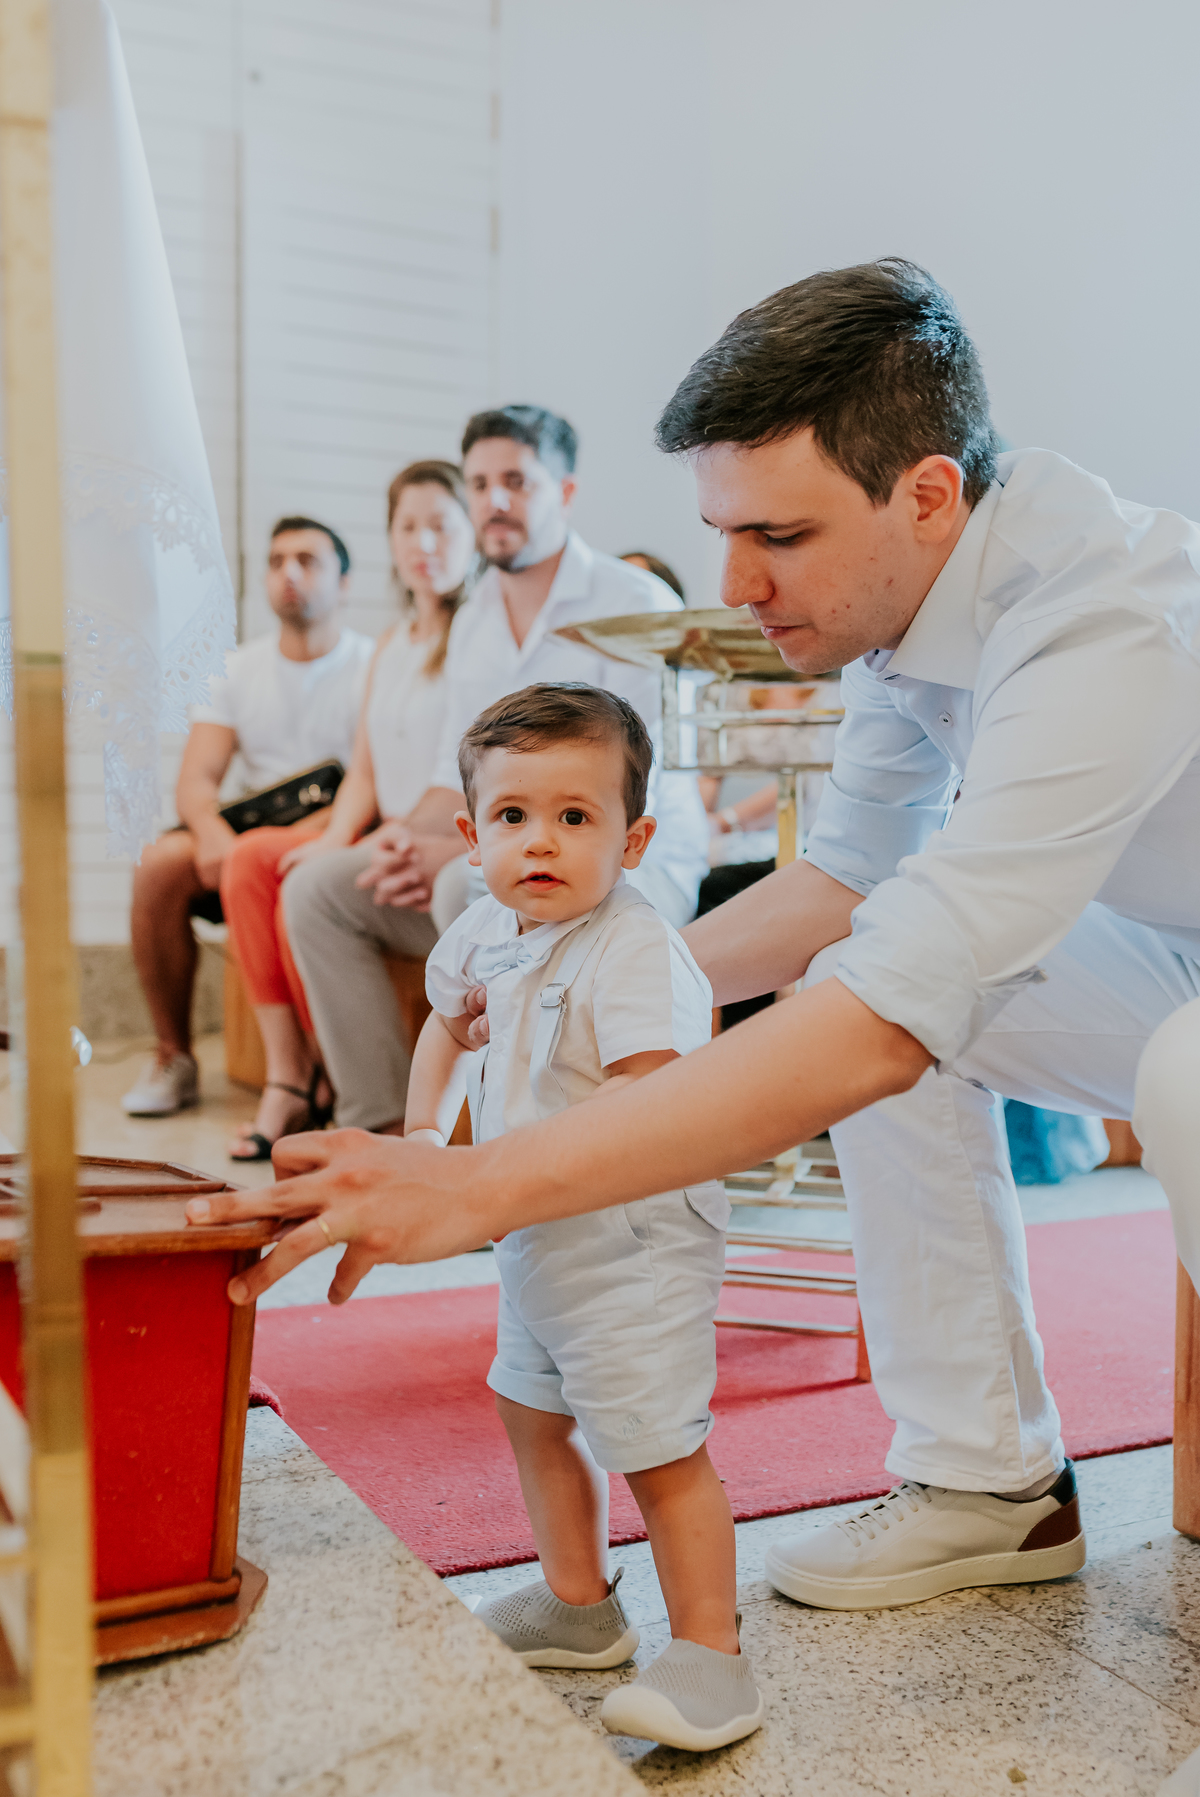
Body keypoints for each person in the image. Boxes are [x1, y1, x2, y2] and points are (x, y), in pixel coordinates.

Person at [190, 262, 1200, 1625]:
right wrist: (572, 971)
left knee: (1069, 1045)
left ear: (927, 492)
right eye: (722, 529)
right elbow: (848, 884)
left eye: (775, 536)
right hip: (1172, 944)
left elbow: (894, 1010)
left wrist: (482, 1186)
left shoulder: (1095, 620)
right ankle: (988, 1483)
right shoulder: (917, 601)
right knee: (866, 964)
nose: (733, 583)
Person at [404, 682, 762, 1753]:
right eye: (514, 817)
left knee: (655, 1442)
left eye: (576, 816)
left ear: (634, 837)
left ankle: (712, 1654)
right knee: (532, 1408)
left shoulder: (636, 948)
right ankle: (579, 1600)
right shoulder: (480, 933)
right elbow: (447, 1028)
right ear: (473, 837)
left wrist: (497, 1172)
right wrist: (426, 1139)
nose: (542, 842)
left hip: (631, 1242)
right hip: (534, 1233)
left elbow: (648, 1103)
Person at [282, 405, 709, 1134]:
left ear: (565, 493)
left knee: (468, 881)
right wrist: (401, 837)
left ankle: (493, 1138)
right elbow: (463, 773)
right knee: (318, 888)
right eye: (479, 483)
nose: (495, 501)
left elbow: (625, 795)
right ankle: (385, 1128)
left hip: (627, 867)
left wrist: (455, 850)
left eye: (516, 479)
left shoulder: (636, 604)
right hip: (504, 857)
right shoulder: (475, 614)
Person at [217, 463, 475, 1158]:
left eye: (441, 524)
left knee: (305, 884)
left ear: (472, 532)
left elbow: (459, 770)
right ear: (390, 539)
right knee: (286, 869)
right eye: (408, 526)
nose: (424, 542)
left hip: (444, 839)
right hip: (392, 834)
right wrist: (337, 835)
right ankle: (353, 1106)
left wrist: (392, 835)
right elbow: (363, 766)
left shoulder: (479, 633)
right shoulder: (390, 644)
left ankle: (363, 1108)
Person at [121, 517, 372, 1117]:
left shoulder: (372, 666)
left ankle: (321, 1071)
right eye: (276, 559)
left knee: (270, 858)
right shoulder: (235, 668)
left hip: (342, 828)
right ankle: (174, 1057)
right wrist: (211, 836)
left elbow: (374, 788)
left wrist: (268, 847)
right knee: (158, 866)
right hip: (249, 832)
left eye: (308, 560)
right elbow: (196, 780)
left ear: (345, 582)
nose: (289, 573)